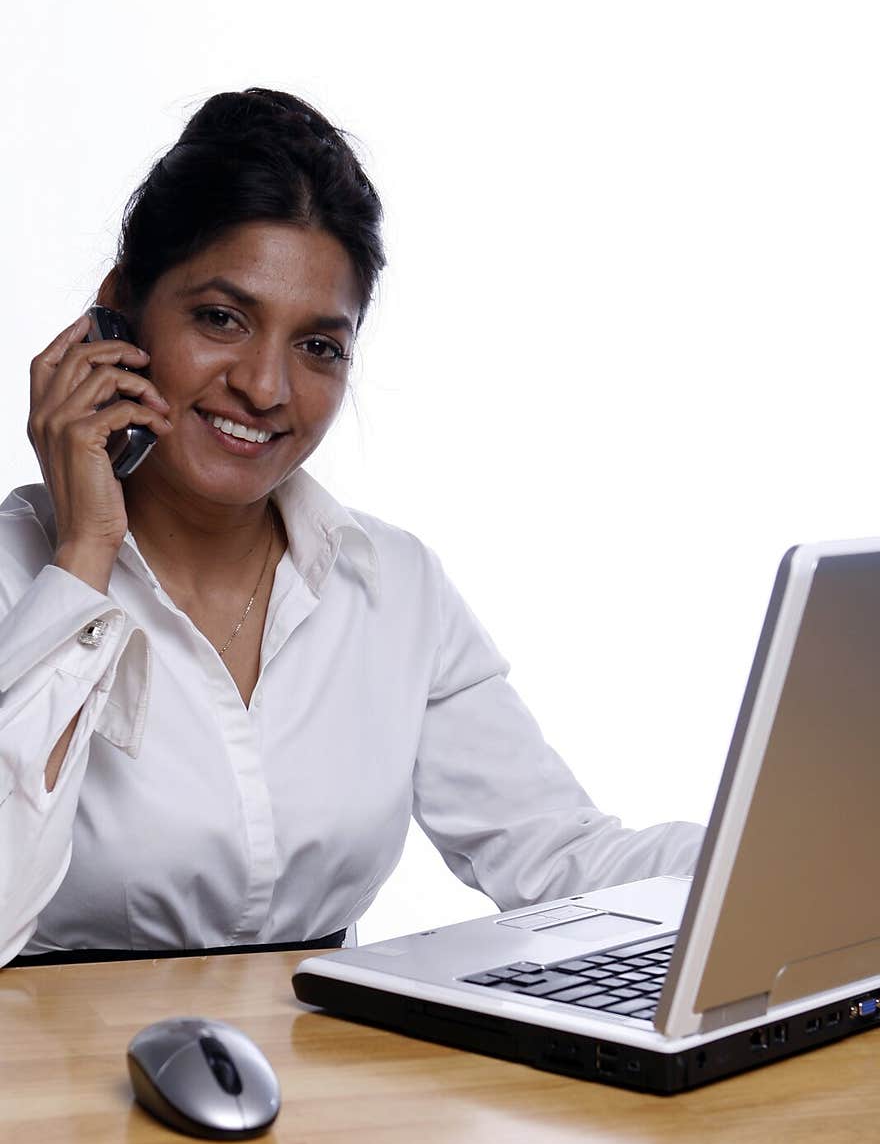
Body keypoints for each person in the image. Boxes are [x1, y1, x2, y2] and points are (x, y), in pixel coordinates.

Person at [0, 87, 704, 968]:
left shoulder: (391, 585)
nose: (264, 387)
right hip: (45, 1092)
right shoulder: (15, 578)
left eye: (319, 347)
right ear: (119, 312)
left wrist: (786, 850)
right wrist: (85, 555)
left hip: (317, 1095)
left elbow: (556, 854)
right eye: (222, 319)